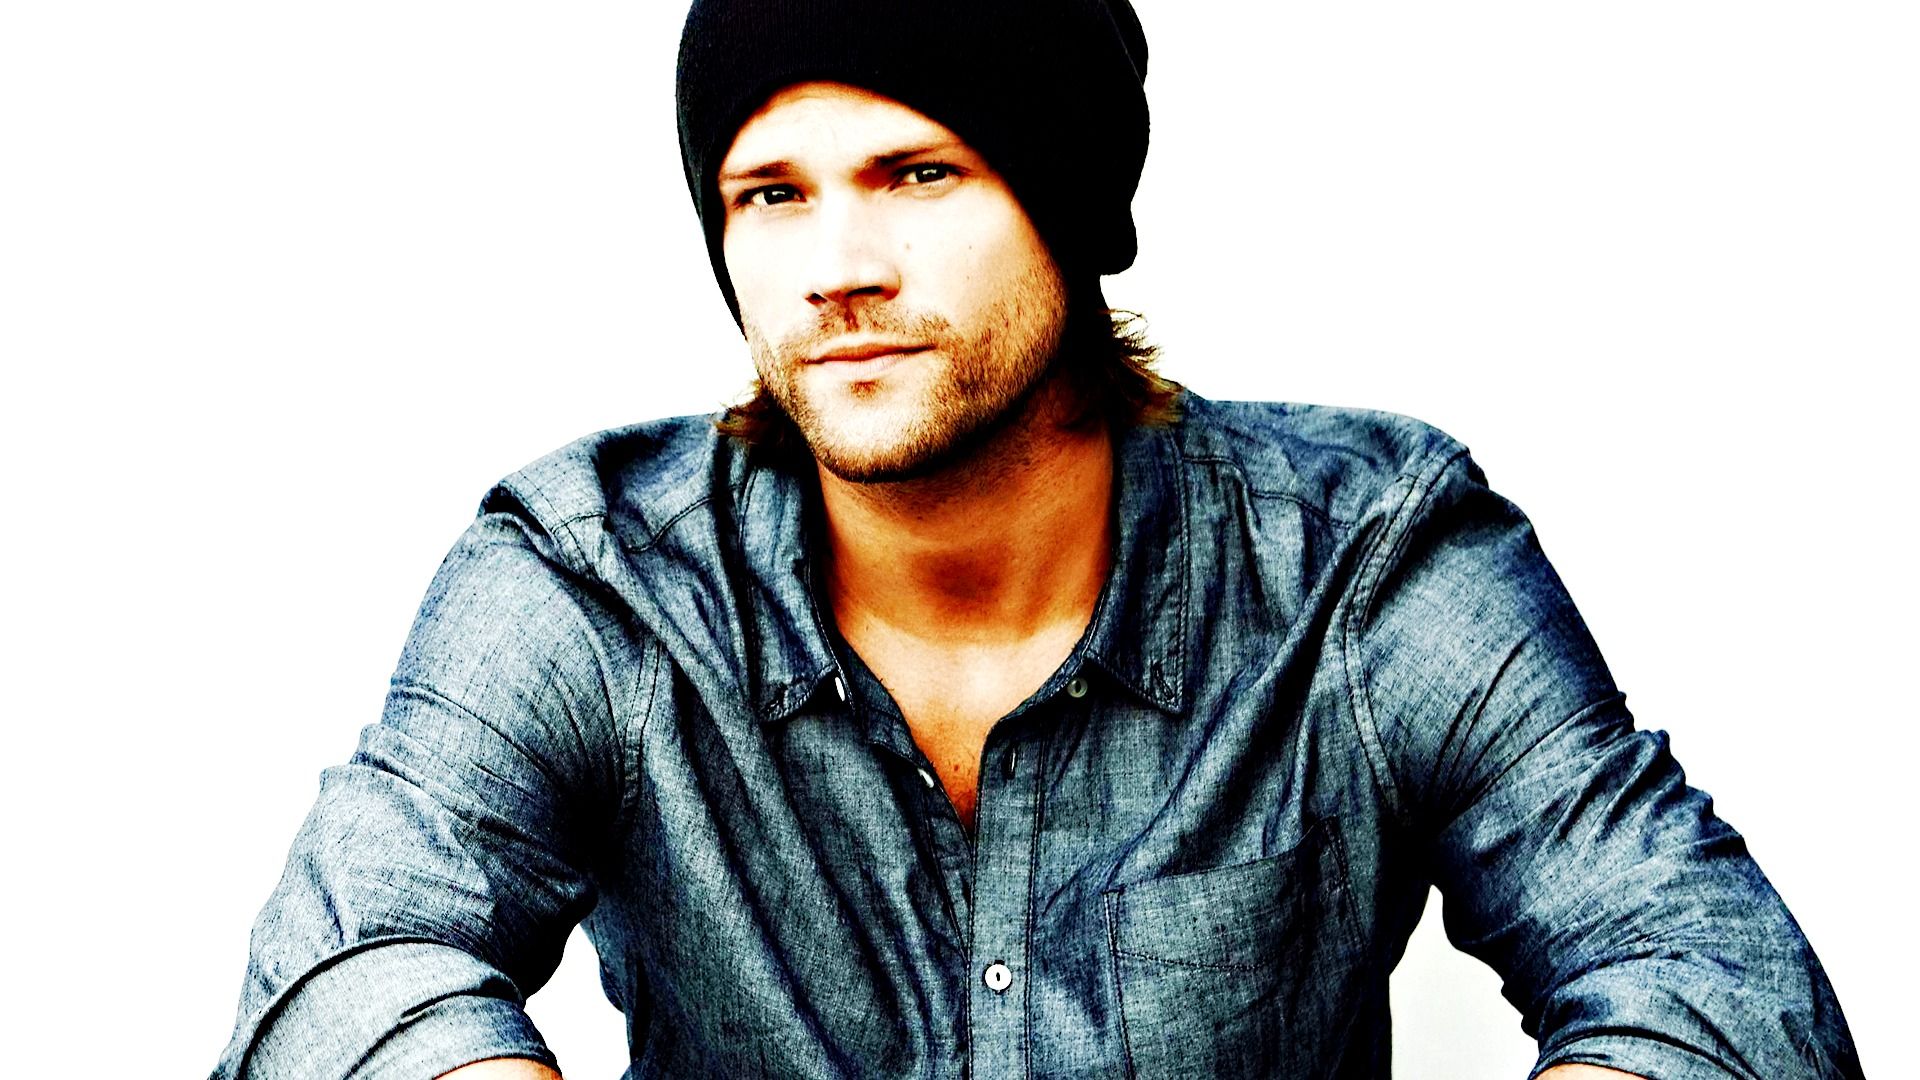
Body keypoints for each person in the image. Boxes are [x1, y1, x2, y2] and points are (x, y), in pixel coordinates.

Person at [212, 1, 1862, 1077]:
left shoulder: (1363, 564)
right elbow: (347, 973)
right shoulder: (594, 580)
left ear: (1068, 208)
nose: (835, 268)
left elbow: (1709, 977)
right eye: (771, 193)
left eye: (916, 173)